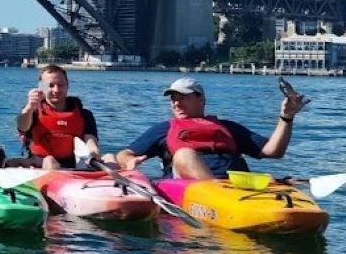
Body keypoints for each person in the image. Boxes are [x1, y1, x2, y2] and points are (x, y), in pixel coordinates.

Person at [112, 77, 301, 180]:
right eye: (173, 99)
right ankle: (217, 194)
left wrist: (287, 117)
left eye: (183, 97)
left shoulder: (226, 127)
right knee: (184, 154)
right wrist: (128, 161)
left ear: (201, 99)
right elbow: (124, 153)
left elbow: (273, 151)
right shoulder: (164, 129)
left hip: (236, 186)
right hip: (192, 188)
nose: (176, 103)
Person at [14, 63, 98, 169]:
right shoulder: (32, 112)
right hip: (41, 163)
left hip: (76, 164)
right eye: (50, 85)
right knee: (50, 161)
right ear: (41, 87)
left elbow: (90, 141)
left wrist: (94, 152)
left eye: (61, 85)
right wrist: (30, 106)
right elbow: (22, 127)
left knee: (111, 158)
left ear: (67, 86)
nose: (56, 90)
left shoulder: (84, 114)